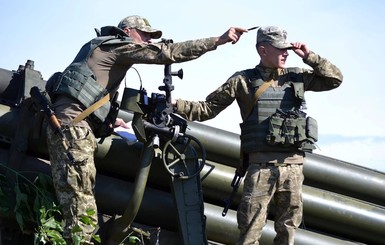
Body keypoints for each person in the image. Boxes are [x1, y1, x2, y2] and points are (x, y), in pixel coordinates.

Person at [44, 15, 247, 244]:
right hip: (74, 132)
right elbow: (166, 53)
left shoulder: (99, 46)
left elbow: (84, 94)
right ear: (128, 31)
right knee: (81, 212)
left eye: (151, 37)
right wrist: (218, 40)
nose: (149, 41)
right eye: (145, 35)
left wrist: (109, 124)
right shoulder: (118, 46)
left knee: (79, 205)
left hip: (74, 126)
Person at [173, 26, 343, 245]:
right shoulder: (242, 81)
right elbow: (207, 108)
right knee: (250, 231)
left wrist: (310, 57)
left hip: (294, 169)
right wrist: (176, 104)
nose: (286, 53)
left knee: (288, 232)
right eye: (280, 49)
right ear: (263, 50)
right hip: (261, 169)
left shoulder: (297, 77)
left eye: (287, 48)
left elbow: (334, 79)